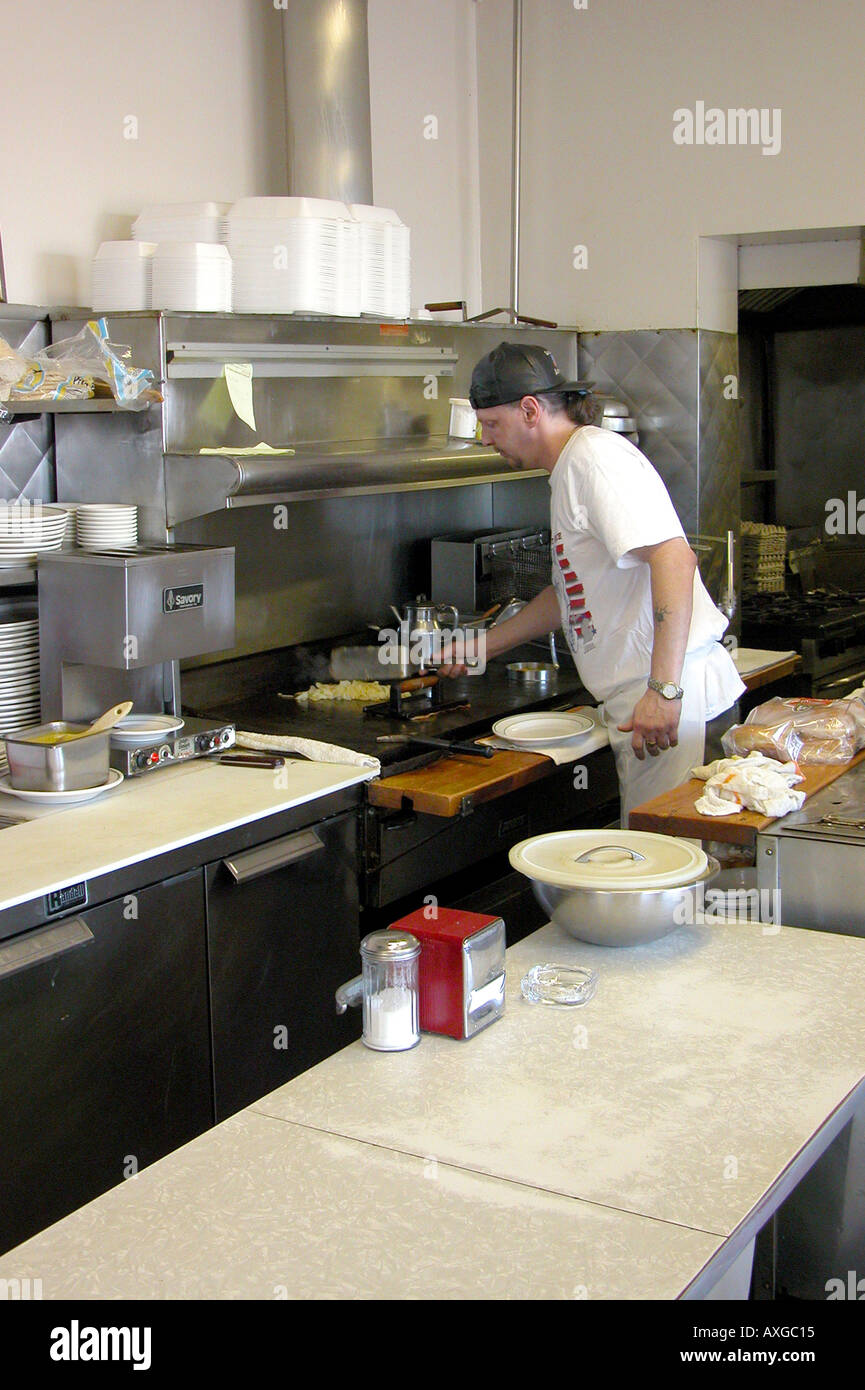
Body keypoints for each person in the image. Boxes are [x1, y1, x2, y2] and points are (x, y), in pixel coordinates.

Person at [440, 341, 745, 826]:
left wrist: (663, 690)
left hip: (671, 699)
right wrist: (483, 645)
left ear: (530, 409)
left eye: (492, 424)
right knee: (667, 867)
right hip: (654, 700)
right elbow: (570, 595)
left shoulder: (594, 460)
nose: (485, 440)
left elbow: (674, 559)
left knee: (664, 875)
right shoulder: (569, 471)